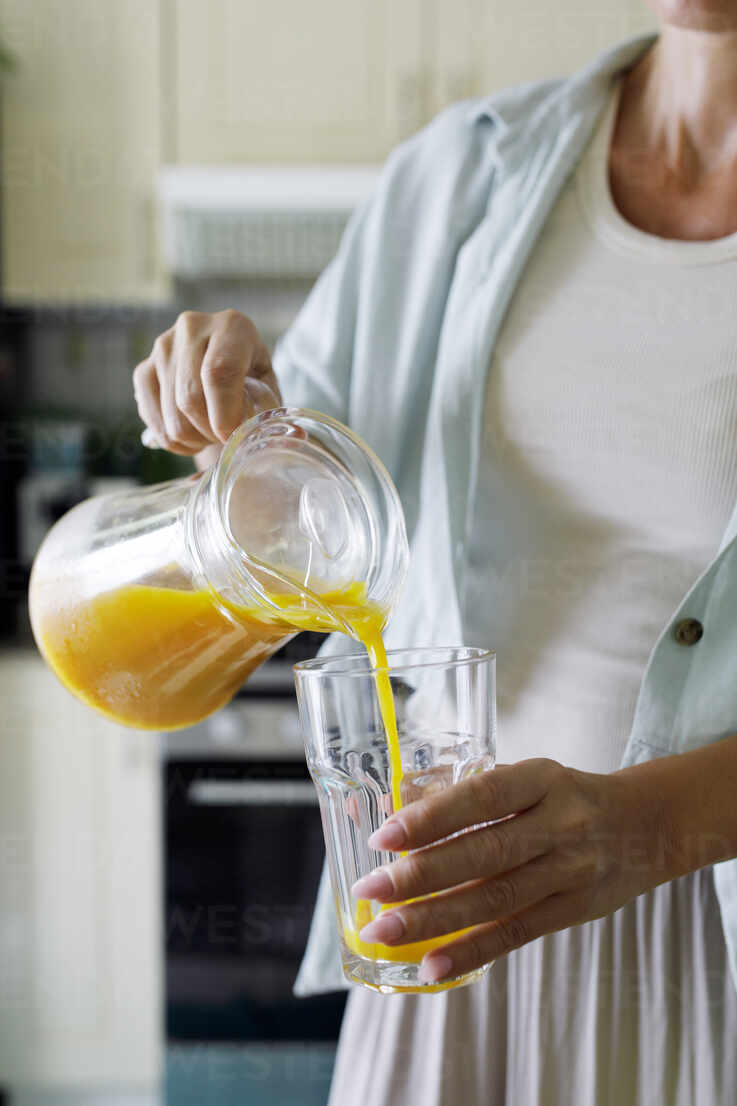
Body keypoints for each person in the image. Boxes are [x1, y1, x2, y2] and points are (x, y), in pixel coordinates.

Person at [134, 6, 737, 1104]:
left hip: (707, 951)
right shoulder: (463, 169)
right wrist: (240, 415)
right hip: (452, 926)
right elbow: (292, 491)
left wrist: (642, 830)